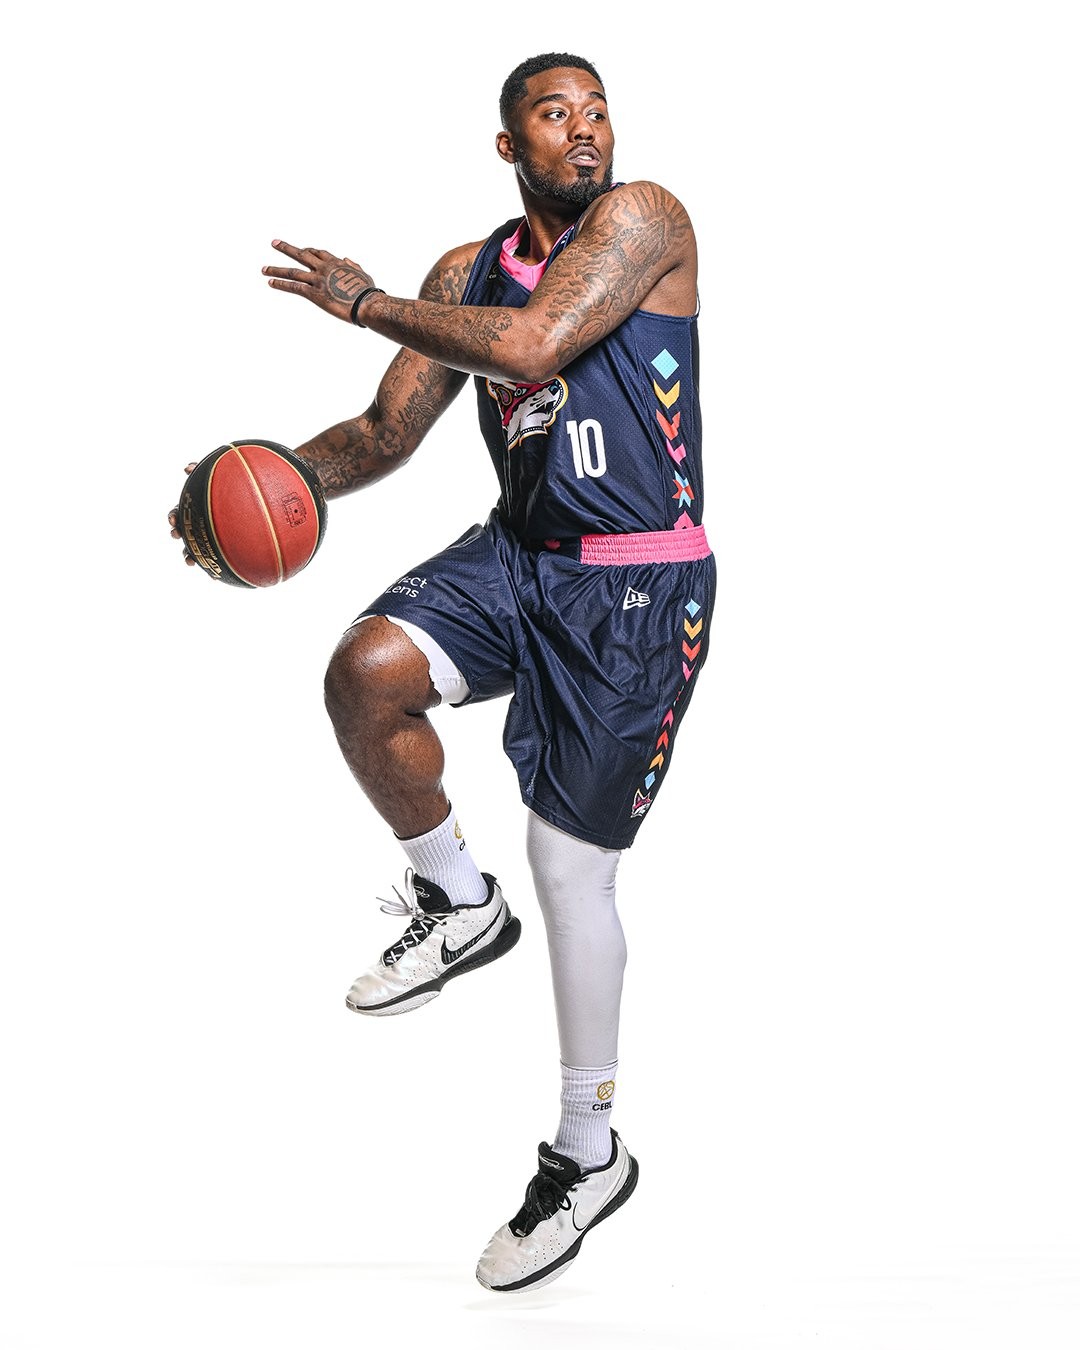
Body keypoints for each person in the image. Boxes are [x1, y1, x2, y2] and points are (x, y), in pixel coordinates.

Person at [170, 51, 713, 1292]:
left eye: (597, 110)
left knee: (570, 869)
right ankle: (460, 903)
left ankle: (588, 1152)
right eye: (554, 115)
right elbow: (383, 434)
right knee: (365, 671)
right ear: (510, 145)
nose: (585, 131)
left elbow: (529, 347)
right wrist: (258, 484)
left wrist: (364, 302)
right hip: (519, 555)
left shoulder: (647, 220)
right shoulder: (465, 272)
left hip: (635, 583)